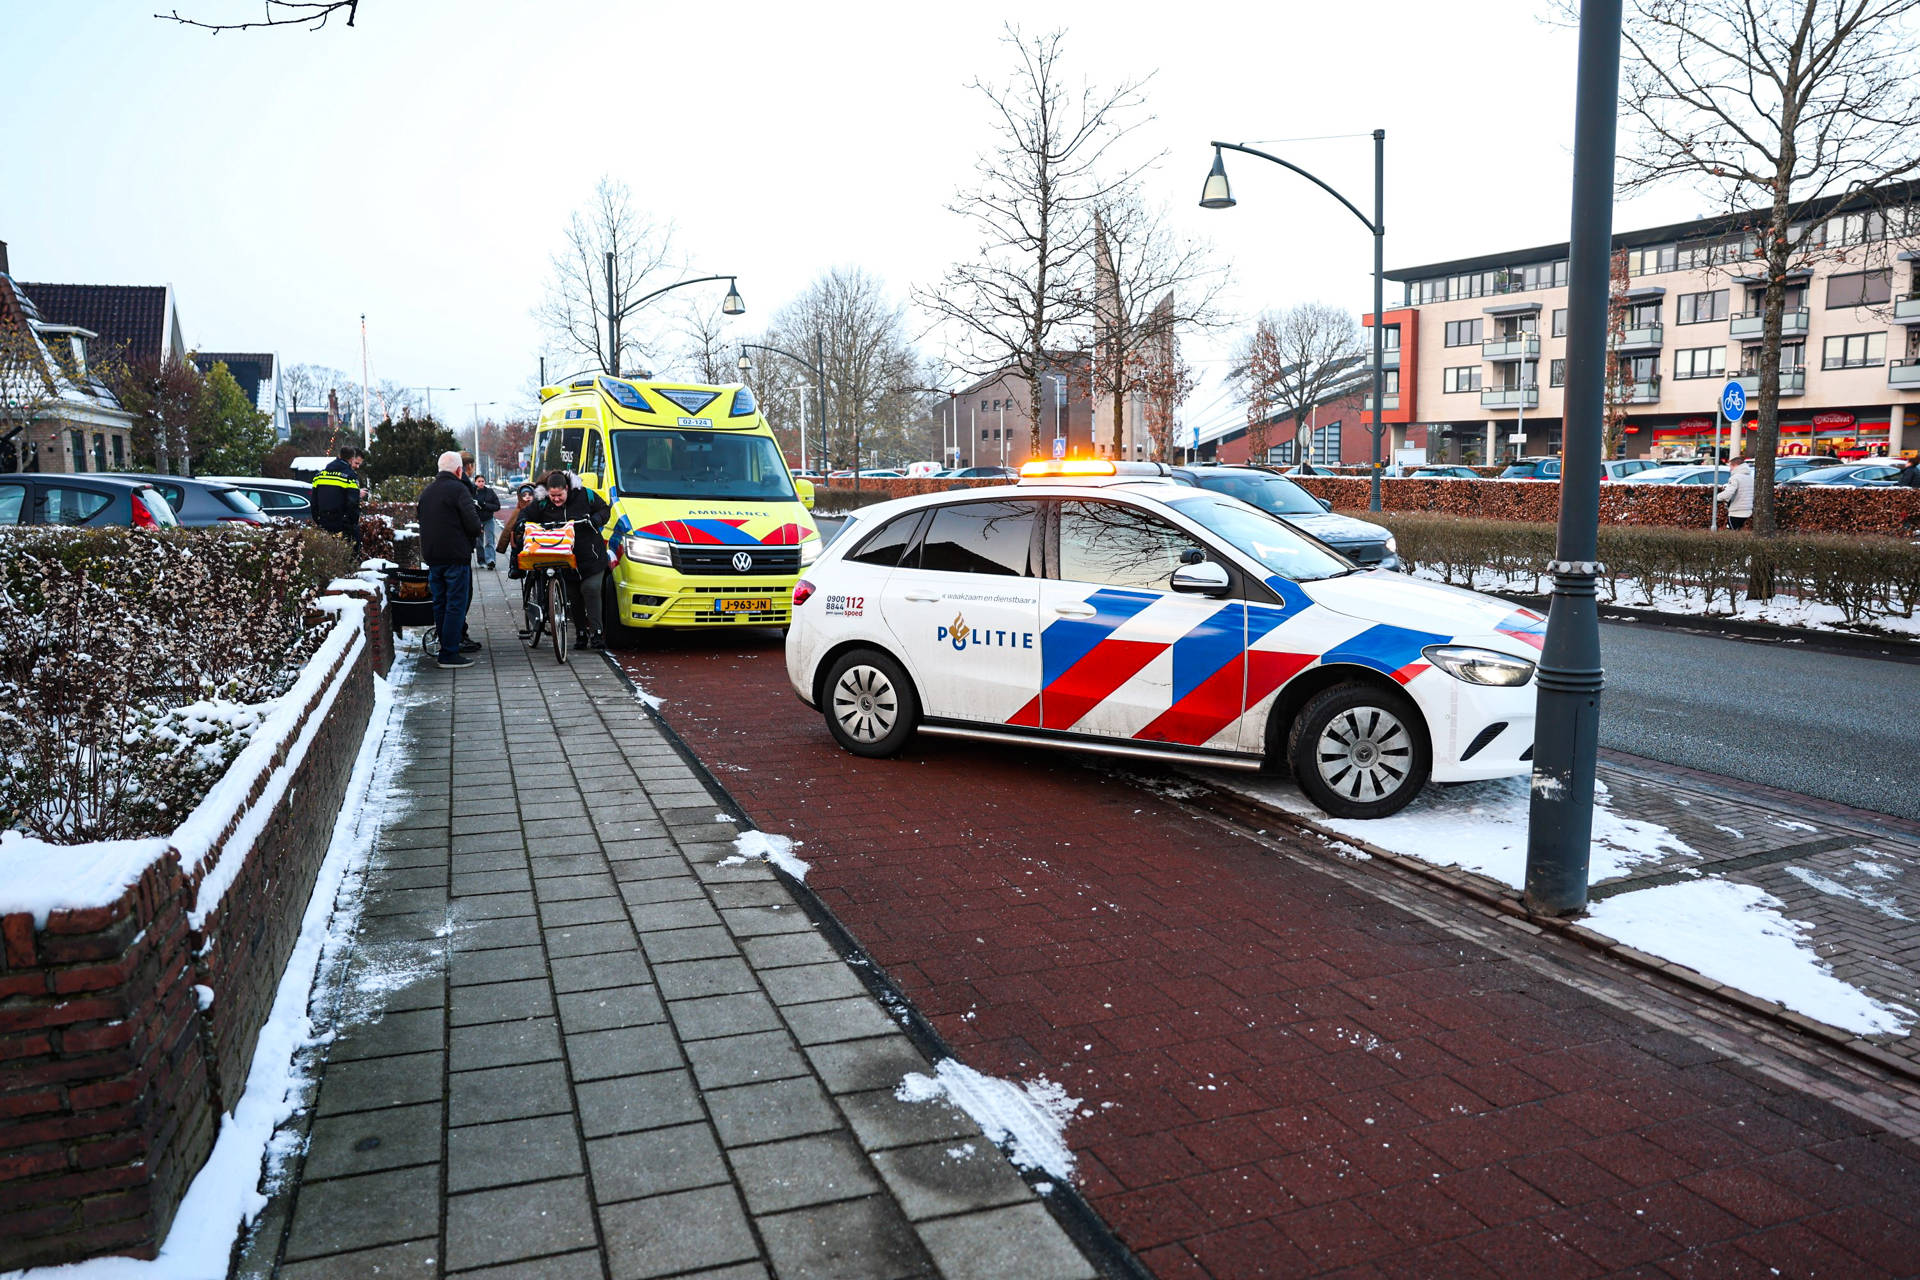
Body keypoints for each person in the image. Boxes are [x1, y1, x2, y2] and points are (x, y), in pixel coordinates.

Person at [512, 471, 610, 649]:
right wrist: (522, 522)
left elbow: (604, 509)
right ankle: (581, 632)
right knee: (573, 595)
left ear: (567, 489)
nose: (556, 499)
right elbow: (525, 514)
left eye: (559, 495)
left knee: (590, 589)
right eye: (552, 496)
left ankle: (596, 633)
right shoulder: (542, 503)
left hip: (591, 557)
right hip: (562, 559)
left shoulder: (584, 496)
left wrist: (596, 519)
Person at [418, 451, 483, 668]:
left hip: (433, 557)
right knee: (456, 604)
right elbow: (473, 524)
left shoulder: (427, 492)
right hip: (456, 556)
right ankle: (449, 653)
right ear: (459, 470)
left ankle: (443, 646)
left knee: (440, 603)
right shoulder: (459, 489)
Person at [310, 446, 365, 553]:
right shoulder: (350, 476)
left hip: (324, 522)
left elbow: (314, 502)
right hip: (343, 525)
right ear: (351, 459)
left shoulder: (320, 475)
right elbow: (353, 503)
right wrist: (351, 523)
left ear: (339, 456)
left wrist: (318, 520)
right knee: (351, 553)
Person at [1716, 455, 1756, 531]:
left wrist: (1717, 497)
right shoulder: (1750, 477)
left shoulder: (1735, 478)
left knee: (1731, 533)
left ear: (1736, 466)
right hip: (1748, 510)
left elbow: (1729, 492)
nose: (1730, 469)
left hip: (1736, 511)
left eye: (1730, 466)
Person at [474, 474, 503, 570]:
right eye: (479, 481)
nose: (481, 483)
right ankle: (481, 561)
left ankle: (490, 560)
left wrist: (485, 505)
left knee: (489, 541)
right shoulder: (472, 493)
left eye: (482, 481)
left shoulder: (490, 492)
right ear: (475, 482)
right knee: (479, 542)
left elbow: (497, 506)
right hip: (477, 520)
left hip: (489, 519)